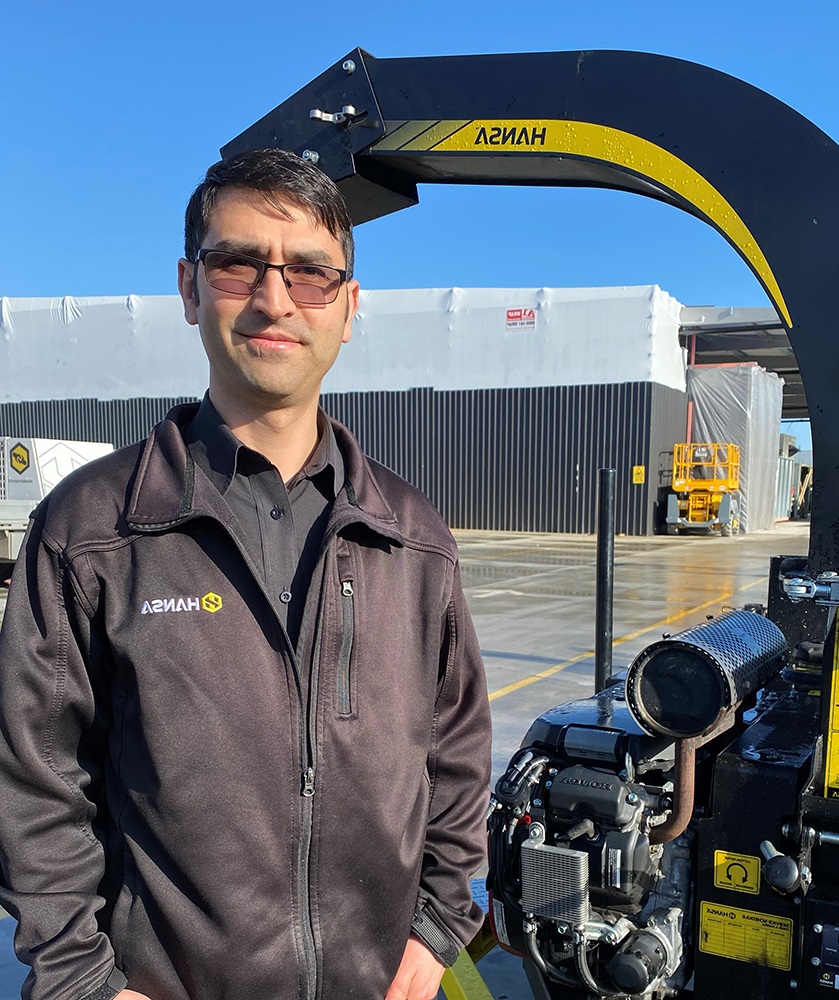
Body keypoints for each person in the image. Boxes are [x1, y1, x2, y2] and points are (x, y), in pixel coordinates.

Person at [0, 148, 492, 1000]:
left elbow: (455, 753)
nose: (274, 300)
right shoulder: (91, 532)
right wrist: (82, 981)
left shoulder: (413, 539)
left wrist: (439, 928)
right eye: (239, 266)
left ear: (347, 308)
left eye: (310, 274)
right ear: (190, 289)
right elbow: (34, 784)